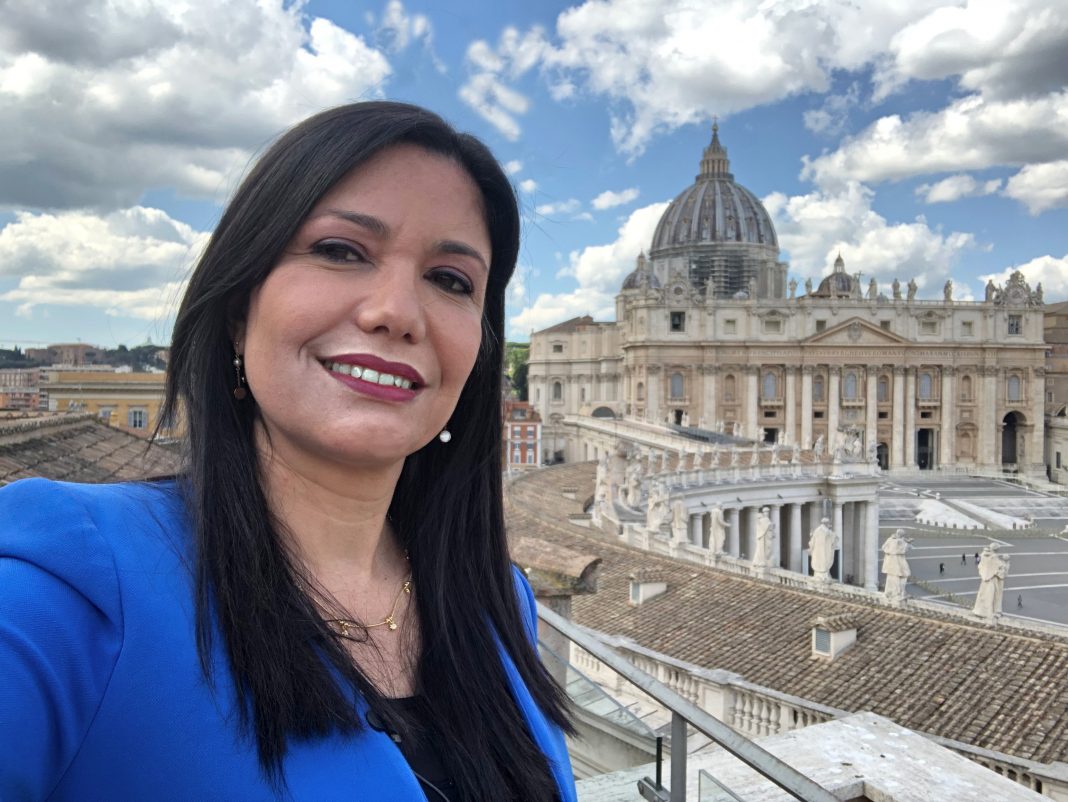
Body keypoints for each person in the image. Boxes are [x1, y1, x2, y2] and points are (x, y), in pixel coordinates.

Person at [0, 103, 575, 801]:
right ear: (240, 309)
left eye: (451, 280)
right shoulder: (67, 584)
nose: (397, 312)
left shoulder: (500, 600)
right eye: (340, 250)